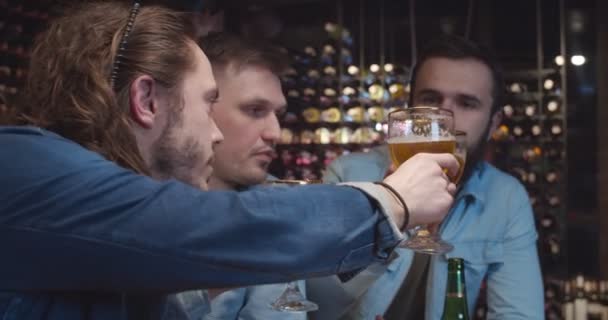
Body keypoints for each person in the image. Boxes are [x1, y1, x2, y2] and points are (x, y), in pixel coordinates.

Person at [0, 2, 460, 319]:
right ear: (146, 100)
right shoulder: (20, 164)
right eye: (207, 102)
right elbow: (196, 226)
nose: (215, 131)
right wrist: (391, 200)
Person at [307, 35, 544, 319]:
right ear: (409, 109)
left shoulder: (505, 197)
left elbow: (519, 313)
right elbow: (312, 304)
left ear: (493, 123)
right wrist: (388, 212)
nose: (442, 118)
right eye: (430, 99)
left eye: (467, 103)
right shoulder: (348, 174)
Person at [189, 33, 305, 319]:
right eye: (255, 110)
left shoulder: (273, 208)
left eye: (279, 114)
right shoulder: (134, 203)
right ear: (201, 107)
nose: (275, 133)